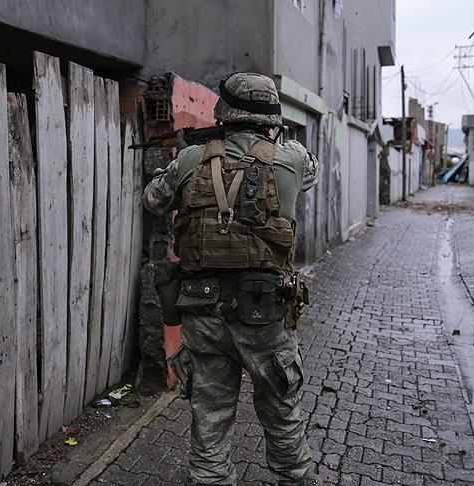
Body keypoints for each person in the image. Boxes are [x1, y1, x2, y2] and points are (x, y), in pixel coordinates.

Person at [142, 72, 322, 486]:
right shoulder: (291, 159)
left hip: (204, 313)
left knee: (210, 415)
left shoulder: (191, 160)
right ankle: (293, 478)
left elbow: (153, 199)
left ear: (223, 115)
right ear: (272, 120)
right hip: (266, 317)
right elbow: (310, 171)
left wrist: (183, 159)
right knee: (281, 413)